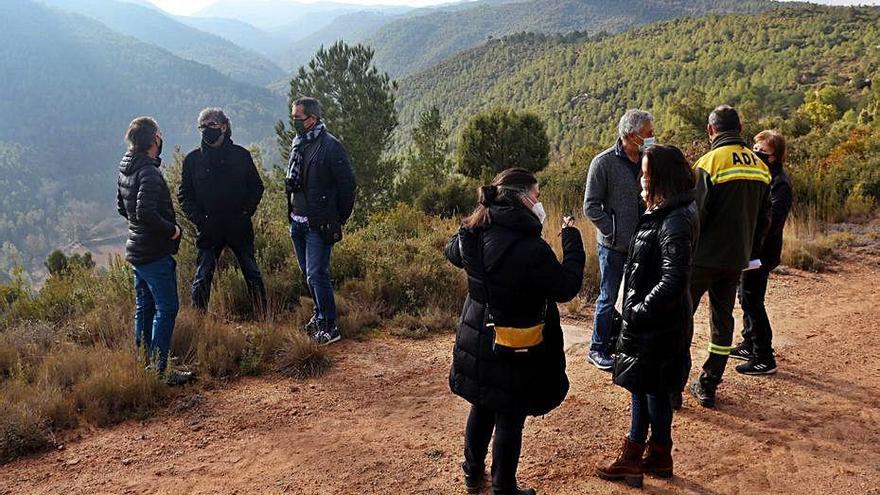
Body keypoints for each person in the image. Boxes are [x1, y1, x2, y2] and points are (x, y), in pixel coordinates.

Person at [445, 168, 586, 495]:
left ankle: (471, 472)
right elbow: (565, 287)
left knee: (481, 405)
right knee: (509, 413)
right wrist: (572, 239)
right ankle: (503, 486)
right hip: (516, 341)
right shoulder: (531, 248)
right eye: (536, 196)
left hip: (477, 334)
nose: (539, 202)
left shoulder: (474, 231)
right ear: (522, 198)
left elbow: (454, 252)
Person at [596, 145, 697, 488]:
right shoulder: (669, 212)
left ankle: (632, 459)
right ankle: (659, 455)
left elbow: (673, 279)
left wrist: (637, 312)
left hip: (655, 324)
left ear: (661, 178)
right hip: (660, 322)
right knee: (653, 389)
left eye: (646, 172)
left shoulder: (674, 220)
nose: (641, 177)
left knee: (643, 388)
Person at [687, 105, 771, 408]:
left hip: (701, 259)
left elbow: (694, 217)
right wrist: (748, 249)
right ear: (740, 129)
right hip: (737, 259)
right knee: (723, 321)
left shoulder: (709, 163)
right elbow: (765, 220)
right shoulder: (760, 166)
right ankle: (709, 384)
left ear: (711, 130)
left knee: (683, 317)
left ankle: (673, 386)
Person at [116, 116, 190, 385]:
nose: (161, 138)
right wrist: (172, 230)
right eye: (159, 134)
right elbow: (144, 211)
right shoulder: (148, 171)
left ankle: (145, 363)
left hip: (137, 251)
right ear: (153, 139)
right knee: (167, 308)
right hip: (154, 252)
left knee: (144, 308)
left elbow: (123, 209)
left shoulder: (126, 167)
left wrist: (139, 228)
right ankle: (160, 370)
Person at [583, 109, 654, 370]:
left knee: (636, 297)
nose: (652, 137)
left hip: (644, 243)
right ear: (633, 135)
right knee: (608, 297)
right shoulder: (603, 163)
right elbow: (590, 206)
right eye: (648, 133)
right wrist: (612, 231)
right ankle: (597, 348)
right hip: (613, 246)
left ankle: (627, 346)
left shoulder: (650, 159)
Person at [178, 108, 267, 316]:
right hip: (210, 229)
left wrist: (245, 212)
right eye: (203, 126)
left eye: (212, 125)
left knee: (252, 273)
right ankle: (198, 322)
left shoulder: (241, 156)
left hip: (239, 226)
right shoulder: (192, 161)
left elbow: (256, 186)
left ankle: (265, 318)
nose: (207, 130)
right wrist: (201, 220)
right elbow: (184, 196)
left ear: (224, 127)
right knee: (202, 276)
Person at [285, 97, 356, 345]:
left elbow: (348, 186)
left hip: (318, 224)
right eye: (292, 117)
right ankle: (319, 315)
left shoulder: (330, 146)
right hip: (297, 221)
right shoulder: (298, 143)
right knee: (308, 274)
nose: (293, 122)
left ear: (312, 119)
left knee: (317, 274)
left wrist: (338, 218)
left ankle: (329, 325)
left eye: (297, 118)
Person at [730, 130, 793, 375]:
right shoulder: (763, 176)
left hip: (760, 253)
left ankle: (764, 356)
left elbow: (772, 222)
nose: (756, 153)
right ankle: (750, 342)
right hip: (750, 250)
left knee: (752, 300)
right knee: (745, 297)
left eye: (762, 151)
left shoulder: (779, 183)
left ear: (775, 156)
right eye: (755, 148)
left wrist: (752, 248)